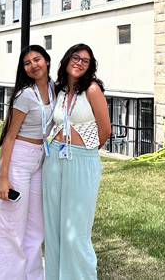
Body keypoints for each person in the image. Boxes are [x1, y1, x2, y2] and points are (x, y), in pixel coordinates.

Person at [43, 43, 112, 280]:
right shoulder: (60, 90)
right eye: (76, 57)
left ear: (90, 66)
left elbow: (105, 130)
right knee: (54, 227)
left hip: (82, 160)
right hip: (55, 158)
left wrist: (85, 152)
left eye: (85, 61)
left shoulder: (92, 90)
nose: (79, 63)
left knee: (76, 230)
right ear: (66, 60)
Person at [0, 44, 55, 280]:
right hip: (19, 159)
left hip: (40, 159)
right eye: (27, 63)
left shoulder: (54, 89)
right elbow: (8, 137)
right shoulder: (25, 95)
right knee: (12, 228)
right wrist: (3, 179)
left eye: (37, 59)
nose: (33, 65)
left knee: (35, 228)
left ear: (47, 61)